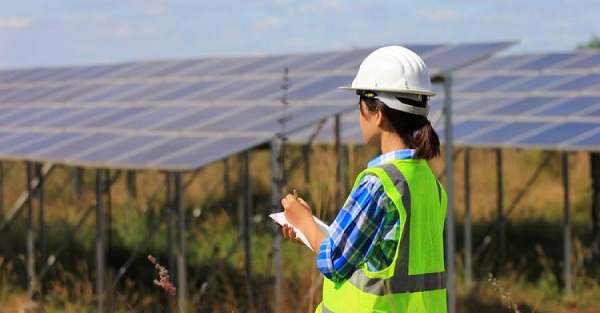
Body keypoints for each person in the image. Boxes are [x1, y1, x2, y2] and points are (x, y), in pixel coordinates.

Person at [281, 46, 448, 312]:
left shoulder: (379, 185)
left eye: (360, 106)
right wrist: (311, 231)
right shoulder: (431, 185)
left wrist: (302, 220)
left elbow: (335, 262)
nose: (359, 117)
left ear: (378, 114)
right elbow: (382, 258)